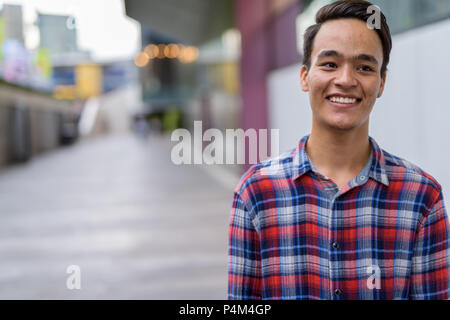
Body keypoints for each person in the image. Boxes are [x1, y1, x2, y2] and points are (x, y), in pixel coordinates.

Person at [228, 0, 450, 300]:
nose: (345, 80)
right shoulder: (255, 193)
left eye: (364, 67)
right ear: (305, 76)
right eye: (330, 64)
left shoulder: (422, 197)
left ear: (381, 82)